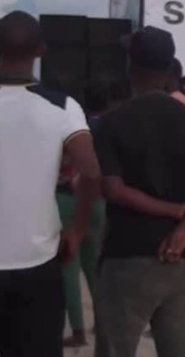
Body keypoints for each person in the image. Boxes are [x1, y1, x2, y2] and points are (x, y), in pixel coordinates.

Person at [92, 26, 185, 357]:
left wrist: (175, 213)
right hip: (183, 260)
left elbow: (114, 190)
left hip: (128, 256)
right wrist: (184, 226)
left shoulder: (111, 123)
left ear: (130, 66)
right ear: (170, 71)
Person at [0, 11, 103, 357]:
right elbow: (90, 173)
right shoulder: (63, 107)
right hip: (38, 264)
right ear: (41, 50)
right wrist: (76, 231)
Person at [57, 80, 110, 348]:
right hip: (98, 201)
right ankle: (103, 327)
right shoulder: (112, 127)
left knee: (69, 268)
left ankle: (77, 330)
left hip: (68, 201)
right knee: (95, 269)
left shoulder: (72, 128)